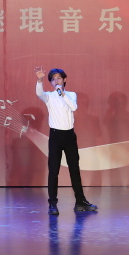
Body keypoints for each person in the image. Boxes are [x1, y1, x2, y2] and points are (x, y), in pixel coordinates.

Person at [35, 66, 97, 215]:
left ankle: (80, 202)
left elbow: (73, 107)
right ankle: (52, 203)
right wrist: (40, 80)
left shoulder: (70, 94)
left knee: (74, 169)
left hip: (69, 136)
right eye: (53, 79)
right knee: (53, 171)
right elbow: (39, 93)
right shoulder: (49, 96)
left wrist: (62, 93)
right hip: (55, 136)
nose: (56, 81)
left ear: (64, 79)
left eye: (58, 78)